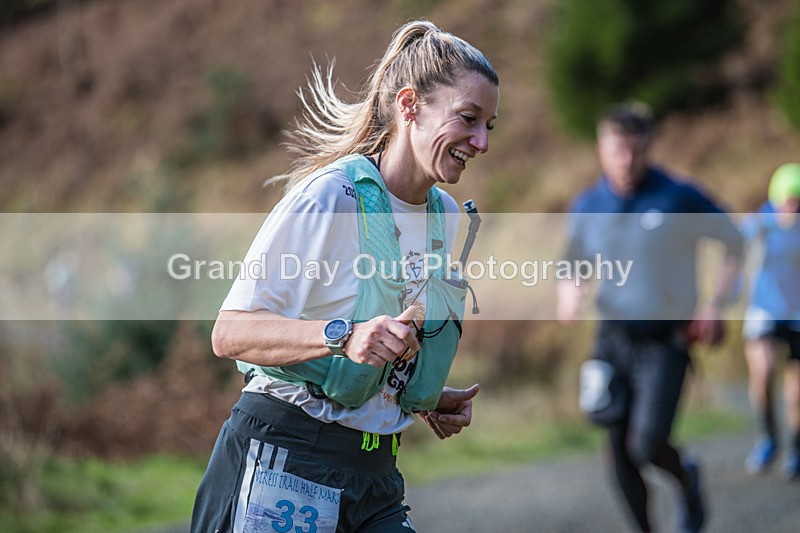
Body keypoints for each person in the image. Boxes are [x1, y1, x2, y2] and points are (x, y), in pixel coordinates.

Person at [190, 20, 499, 533]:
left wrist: (417, 396)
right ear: (409, 106)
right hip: (286, 459)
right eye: (468, 118)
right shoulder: (331, 197)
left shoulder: (446, 214)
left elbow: (382, 348)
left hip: (377, 475)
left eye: (491, 124)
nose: (482, 141)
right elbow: (230, 333)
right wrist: (343, 337)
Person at [557, 102, 743, 533]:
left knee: (647, 444)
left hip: (666, 340)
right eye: (617, 150)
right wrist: (569, 292)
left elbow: (733, 242)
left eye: (635, 151)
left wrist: (716, 304)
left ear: (648, 148)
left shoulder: (678, 196)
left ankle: (685, 476)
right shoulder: (588, 204)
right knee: (616, 447)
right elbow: (572, 261)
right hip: (611, 338)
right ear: (602, 149)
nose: (626, 161)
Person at [740, 162, 800, 481]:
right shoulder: (759, 223)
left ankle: (796, 447)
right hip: (763, 308)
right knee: (762, 373)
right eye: (787, 200)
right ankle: (768, 438)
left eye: (797, 201)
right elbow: (736, 254)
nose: (792, 207)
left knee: (796, 393)